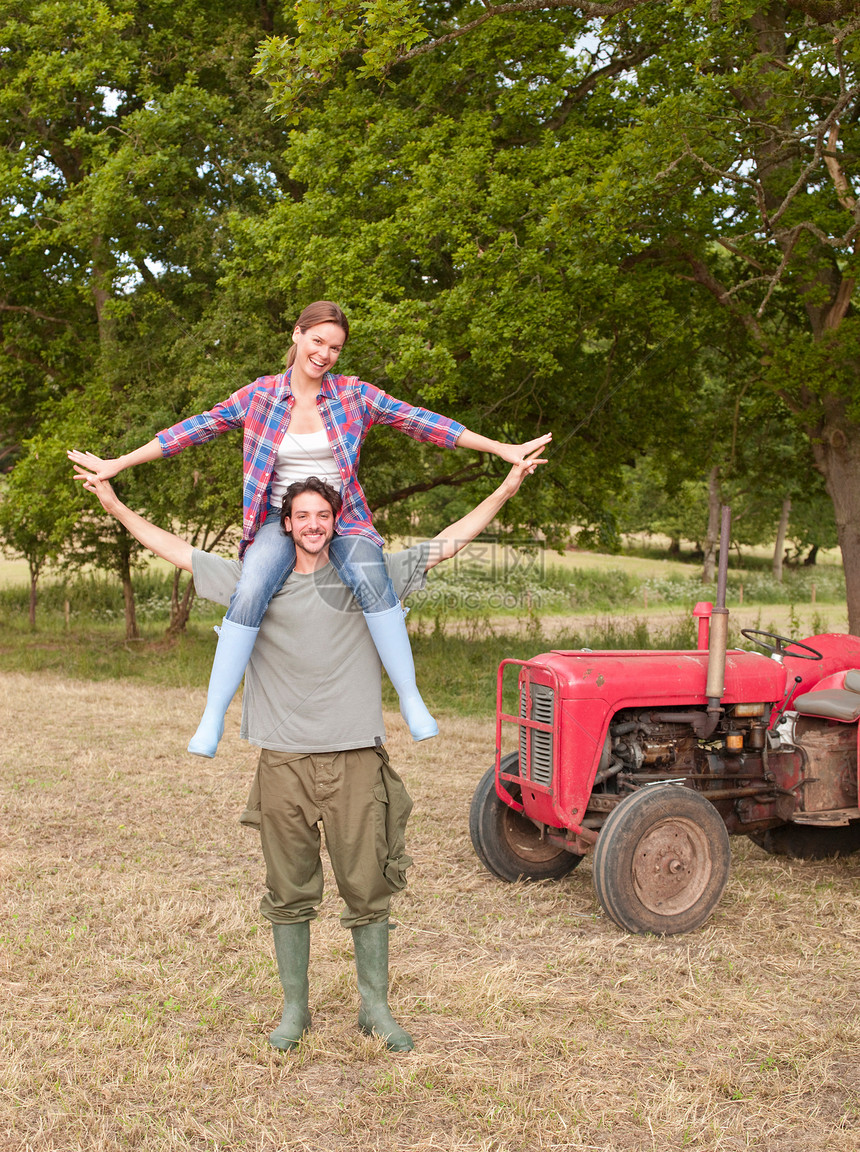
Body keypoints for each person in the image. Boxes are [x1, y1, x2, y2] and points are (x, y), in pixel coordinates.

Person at [75, 450, 543, 1054]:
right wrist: (113, 504)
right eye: (303, 515)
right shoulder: (256, 582)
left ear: (336, 520)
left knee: (368, 888)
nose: (314, 524)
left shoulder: (365, 577)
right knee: (289, 891)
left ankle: (374, 1007)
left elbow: (446, 543)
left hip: (355, 759)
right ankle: (295, 1010)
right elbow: (175, 550)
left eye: (324, 514)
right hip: (284, 762)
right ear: (286, 524)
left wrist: (505, 488)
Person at [68, 300, 550, 757]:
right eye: (317, 341)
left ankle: (409, 699)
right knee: (252, 584)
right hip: (282, 521)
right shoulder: (259, 396)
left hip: (343, 518)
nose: (323, 354)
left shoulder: (354, 395)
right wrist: (120, 462)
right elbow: (193, 429)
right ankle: (212, 716)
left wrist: (499, 448)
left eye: (334, 347)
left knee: (372, 578)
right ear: (297, 336)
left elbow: (423, 422)